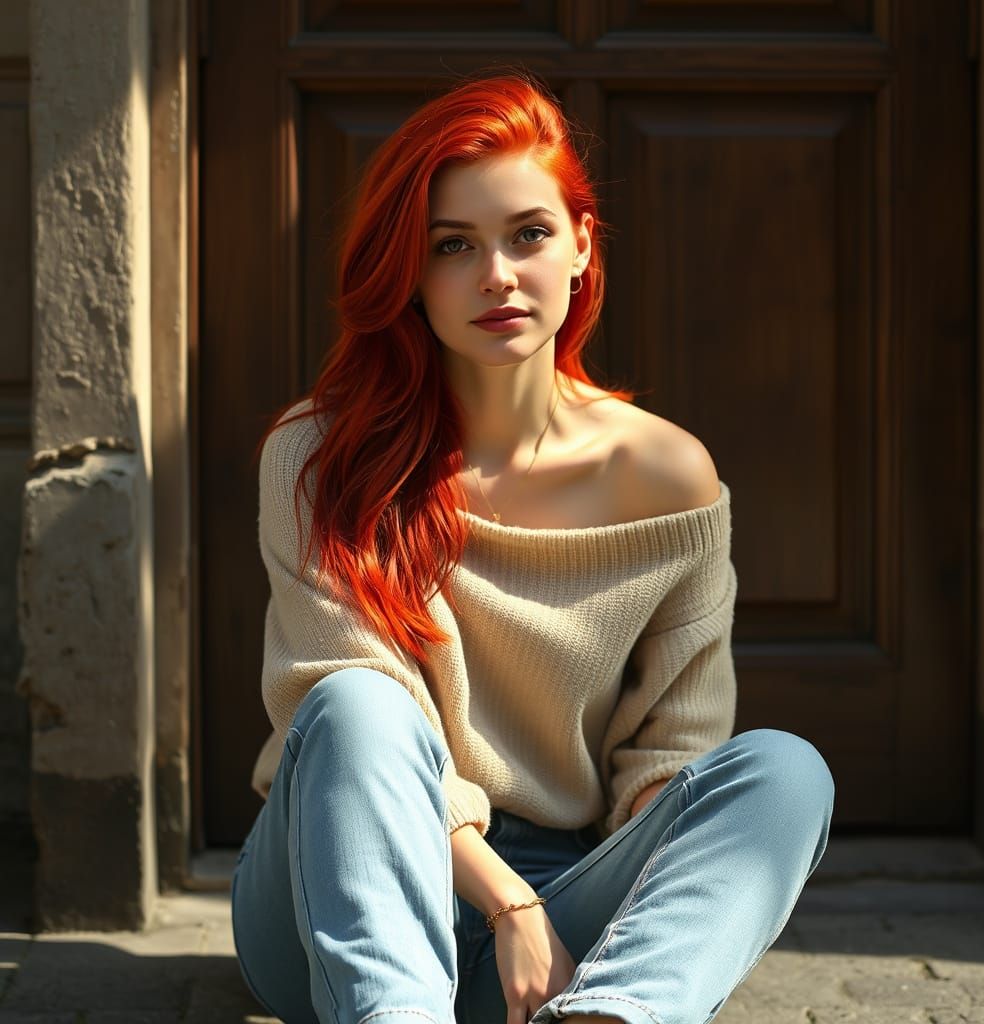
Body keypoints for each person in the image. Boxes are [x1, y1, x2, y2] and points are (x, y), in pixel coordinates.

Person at [231, 71, 835, 1024]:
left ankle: (608, 1015)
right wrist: (505, 899)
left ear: (582, 247)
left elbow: (669, 756)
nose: (497, 275)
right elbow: (340, 720)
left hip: (561, 924)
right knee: (355, 704)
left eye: (529, 234)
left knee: (784, 773)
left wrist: (574, 901)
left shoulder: (669, 479)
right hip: (339, 887)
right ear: (410, 274)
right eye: (452, 246)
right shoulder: (318, 456)